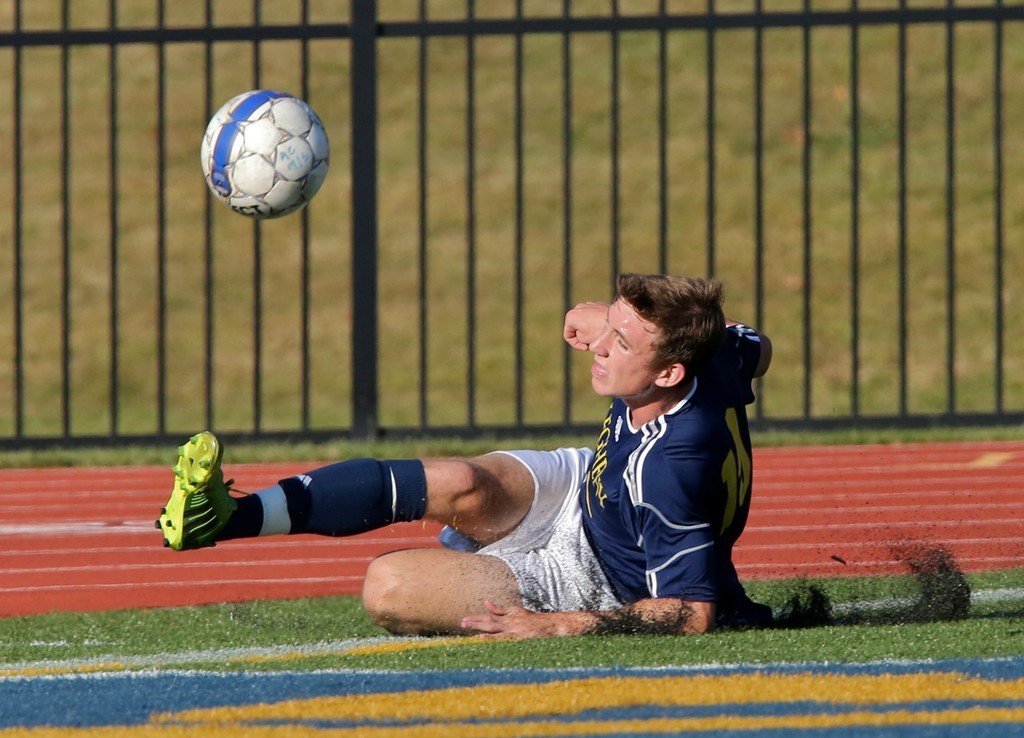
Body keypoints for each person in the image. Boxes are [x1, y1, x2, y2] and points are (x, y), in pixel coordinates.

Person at [156, 273, 773, 638]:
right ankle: (226, 518)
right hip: (589, 487)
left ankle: (492, 561)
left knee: (390, 586)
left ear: (668, 371)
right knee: (460, 480)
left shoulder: (670, 471)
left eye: (621, 341)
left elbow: (691, 613)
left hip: (603, 578)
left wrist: (562, 624)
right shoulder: (716, 352)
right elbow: (756, 346)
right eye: (609, 328)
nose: (599, 346)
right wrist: (610, 316)